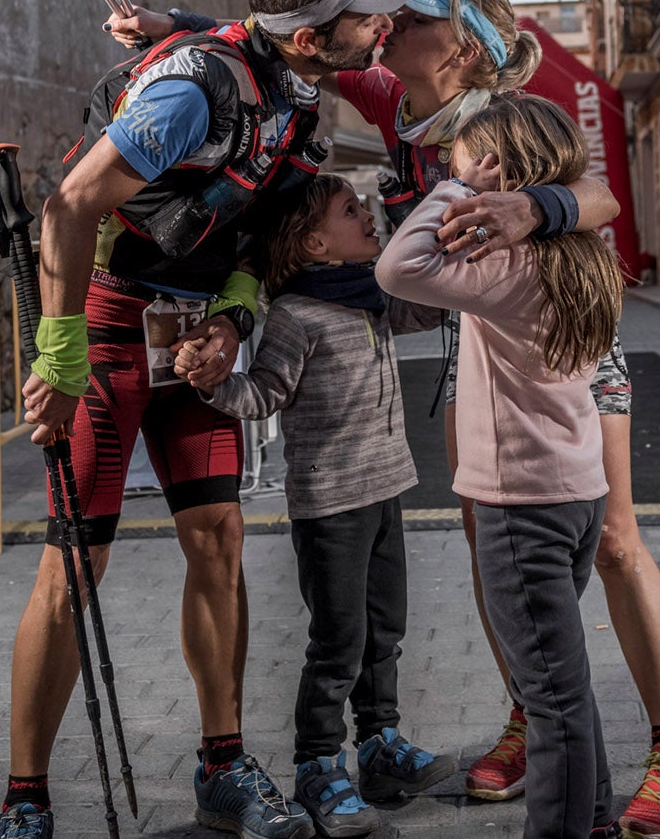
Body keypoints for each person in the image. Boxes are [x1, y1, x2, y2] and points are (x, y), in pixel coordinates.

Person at [112, 0, 660, 837]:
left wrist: (533, 206)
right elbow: (291, 42)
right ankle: (532, 717)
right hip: (484, 329)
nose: (390, 20)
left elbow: (601, 198)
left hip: (568, 336)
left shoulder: (501, 122)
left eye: (417, 11)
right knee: (487, 533)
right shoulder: (393, 93)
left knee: (614, 536)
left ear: (462, 45)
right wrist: (174, 21)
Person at [0, 0, 414, 839]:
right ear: (309, 35)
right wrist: (58, 358)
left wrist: (230, 318)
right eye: (368, 10)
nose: (384, 22)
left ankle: (222, 767)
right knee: (75, 565)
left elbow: (258, 242)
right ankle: (24, 796)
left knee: (218, 535)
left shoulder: (300, 96)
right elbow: (69, 206)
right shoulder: (194, 89)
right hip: (104, 315)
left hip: (191, 327)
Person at [375, 94, 627, 839]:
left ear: (501, 168)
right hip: (577, 493)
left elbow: (396, 267)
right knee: (565, 688)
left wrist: (455, 192)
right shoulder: (586, 255)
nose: (451, 163)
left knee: (547, 699)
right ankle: (600, 820)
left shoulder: (503, 263)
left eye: (467, 155)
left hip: (521, 509)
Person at [174, 174, 455, 837]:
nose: (367, 219)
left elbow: (435, 302)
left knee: (385, 627)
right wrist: (217, 387)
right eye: (352, 211)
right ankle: (318, 764)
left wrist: (399, 209)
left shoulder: (376, 299)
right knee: (339, 641)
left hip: (386, 488)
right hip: (331, 504)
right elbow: (266, 393)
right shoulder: (296, 315)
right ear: (315, 242)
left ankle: (381, 746)